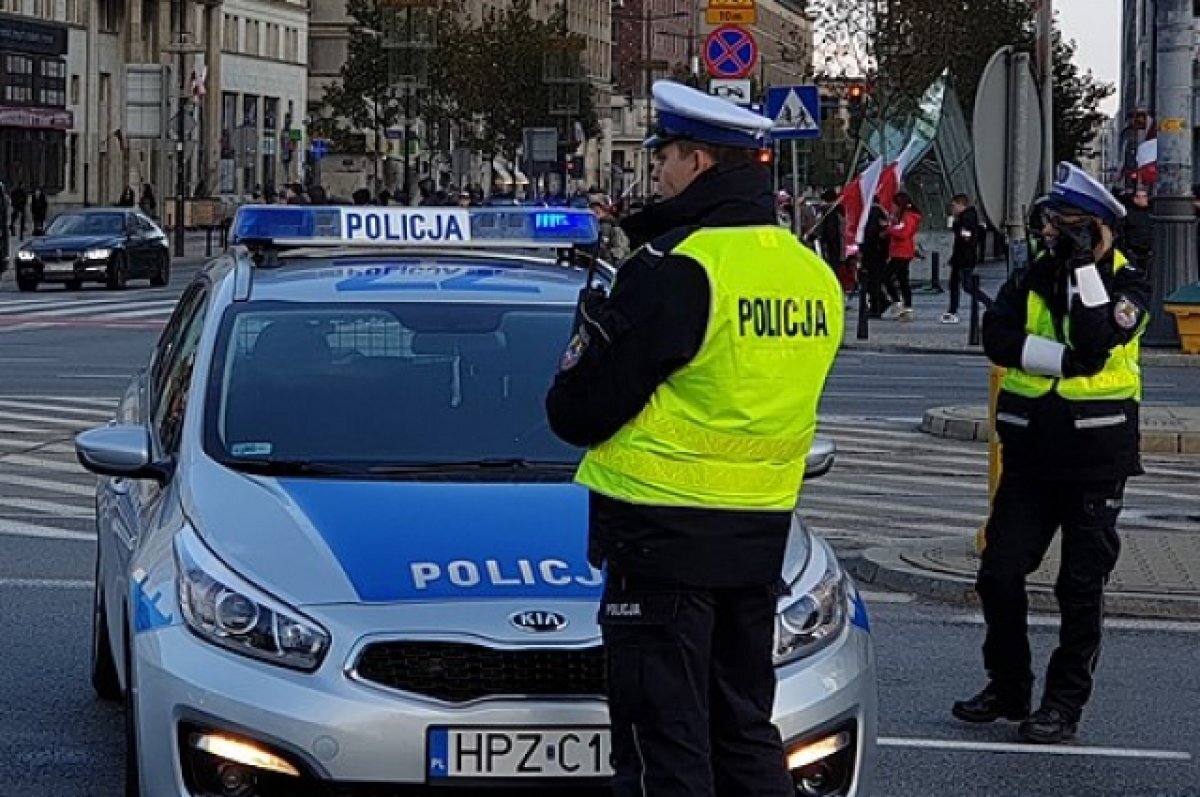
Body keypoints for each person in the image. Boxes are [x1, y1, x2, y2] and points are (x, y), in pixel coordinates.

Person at [545, 80, 844, 797]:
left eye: (666, 160)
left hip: (661, 538)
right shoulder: (812, 275)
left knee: (663, 748)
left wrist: (588, 340)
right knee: (744, 733)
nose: (659, 174)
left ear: (700, 162)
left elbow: (578, 413)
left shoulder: (679, 268)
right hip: (758, 538)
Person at [955, 163, 1150, 744]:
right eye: (1048, 225)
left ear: (1091, 230)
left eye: (1062, 227)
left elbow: (1096, 339)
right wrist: (1061, 361)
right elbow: (998, 338)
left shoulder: (1128, 285)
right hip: (1030, 453)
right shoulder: (1032, 276)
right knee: (998, 574)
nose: (1048, 236)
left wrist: (1088, 265)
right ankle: (1009, 686)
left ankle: (1062, 706)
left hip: (1095, 456)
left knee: (1079, 588)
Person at [943, 194, 992, 324]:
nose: (952, 209)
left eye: (954, 206)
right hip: (960, 257)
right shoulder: (965, 217)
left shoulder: (967, 218)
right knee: (955, 284)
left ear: (960, 204)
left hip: (965, 257)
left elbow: (968, 236)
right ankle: (952, 311)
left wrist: (956, 227)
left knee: (968, 286)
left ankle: (990, 304)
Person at [882, 192, 922, 320]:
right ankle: (907, 307)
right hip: (902, 251)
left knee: (886, 277)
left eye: (894, 205)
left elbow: (904, 233)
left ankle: (897, 302)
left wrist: (889, 229)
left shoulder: (908, 217)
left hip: (901, 252)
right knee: (903, 279)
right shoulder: (905, 216)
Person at [1117, 187, 1153, 273]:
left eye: (1145, 196)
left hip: (1150, 251)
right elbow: (1121, 232)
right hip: (1133, 251)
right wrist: (1127, 250)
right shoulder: (1128, 213)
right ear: (1135, 199)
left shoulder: (1152, 213)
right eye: (1140, 197)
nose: (1143, 199)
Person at [587, 194, 630, 264]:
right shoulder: (588, 227)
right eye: (592, 209)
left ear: (605, 211)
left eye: (597, 211)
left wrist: (608, 255)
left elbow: (620, 252)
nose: (594, 213)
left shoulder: (614, 228)